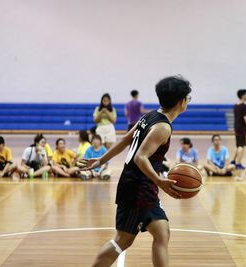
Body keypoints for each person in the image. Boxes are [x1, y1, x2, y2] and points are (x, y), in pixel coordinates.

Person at [82, 76, 191, 267]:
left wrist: (101, 159)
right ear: (181, 102)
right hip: (137, 190)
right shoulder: (162, 127)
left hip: (142, 187)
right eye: (188, 98)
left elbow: (125, 140)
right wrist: (160, 181)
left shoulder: (150, 116)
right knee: (122, 241)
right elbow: (140, 157)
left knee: (162, 231)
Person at [232, 89, 246, 170]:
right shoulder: (244, 106)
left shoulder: (235, 105)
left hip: (236, 127)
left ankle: (233, 161)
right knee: (242, 146)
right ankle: (238, 163)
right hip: (243, 129)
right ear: (243, 96)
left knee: (237, 145)